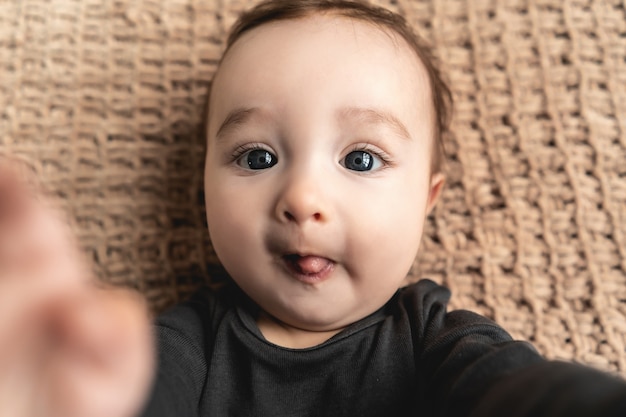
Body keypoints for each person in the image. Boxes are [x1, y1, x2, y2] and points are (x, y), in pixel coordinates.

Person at [1, 0, 626, 416]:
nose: (302, 199)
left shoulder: (438, 345)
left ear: (426, 200)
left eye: (359, 160)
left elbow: (521, 392)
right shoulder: (185, 347)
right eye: (256, 158)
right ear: (204, 187)